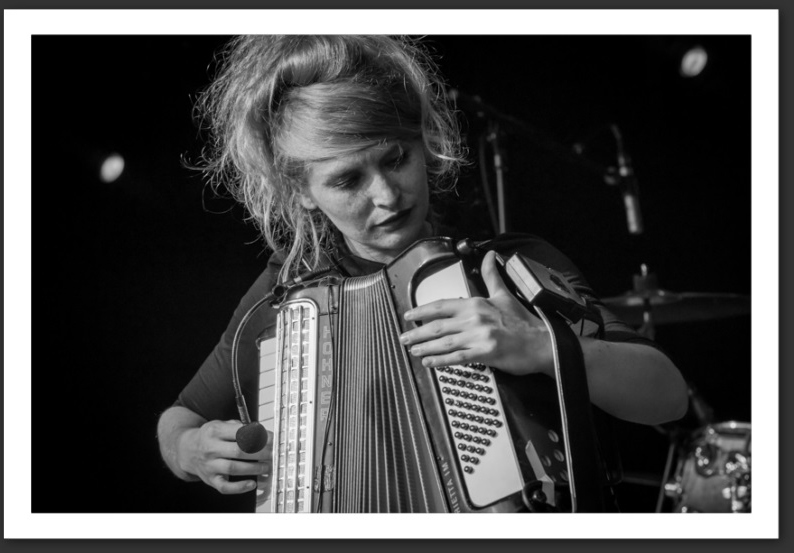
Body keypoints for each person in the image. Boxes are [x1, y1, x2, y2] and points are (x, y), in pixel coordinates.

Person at [156, 35, 688, 505]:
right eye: (347, 180)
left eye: (395, 158)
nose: (386, 195)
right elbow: (178, 418)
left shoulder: (506, 263)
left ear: (422, 142)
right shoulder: (284, 293)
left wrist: (540, 346)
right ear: (303, 193)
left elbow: (668, 394)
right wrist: (190, 450)